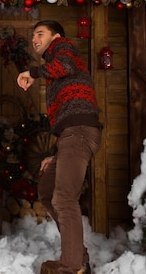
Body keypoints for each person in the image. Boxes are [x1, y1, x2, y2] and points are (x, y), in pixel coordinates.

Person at [16, 20, 101, 274]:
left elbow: (62, 66)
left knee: (64, 198)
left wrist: (32, 72)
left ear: (56, 35)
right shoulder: (57, 60)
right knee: (47, 190)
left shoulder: (63, 48)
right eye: (32, 35)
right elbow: (68, 113)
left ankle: (71, 267)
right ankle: (78, 258)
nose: (34, 39)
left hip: (80, 133)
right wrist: (55, 154)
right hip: (70, 135)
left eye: (39, 33)